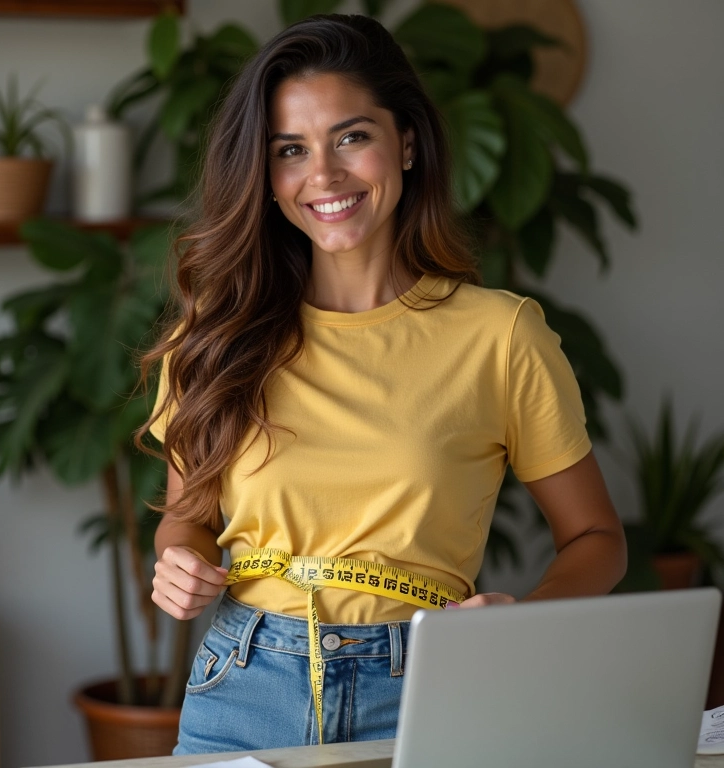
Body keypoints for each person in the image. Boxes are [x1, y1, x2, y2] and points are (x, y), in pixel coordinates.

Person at [138, 13, 627, 755]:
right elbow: (188, 519)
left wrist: (523, 618)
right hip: (242, 685)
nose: (324, 175)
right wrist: (178, 563)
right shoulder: (217, 334)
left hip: (425, 686)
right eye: (291, 150)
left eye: (352, 137)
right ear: (265, 177)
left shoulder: (499, 335)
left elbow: (596, 537)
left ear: (406, 141)